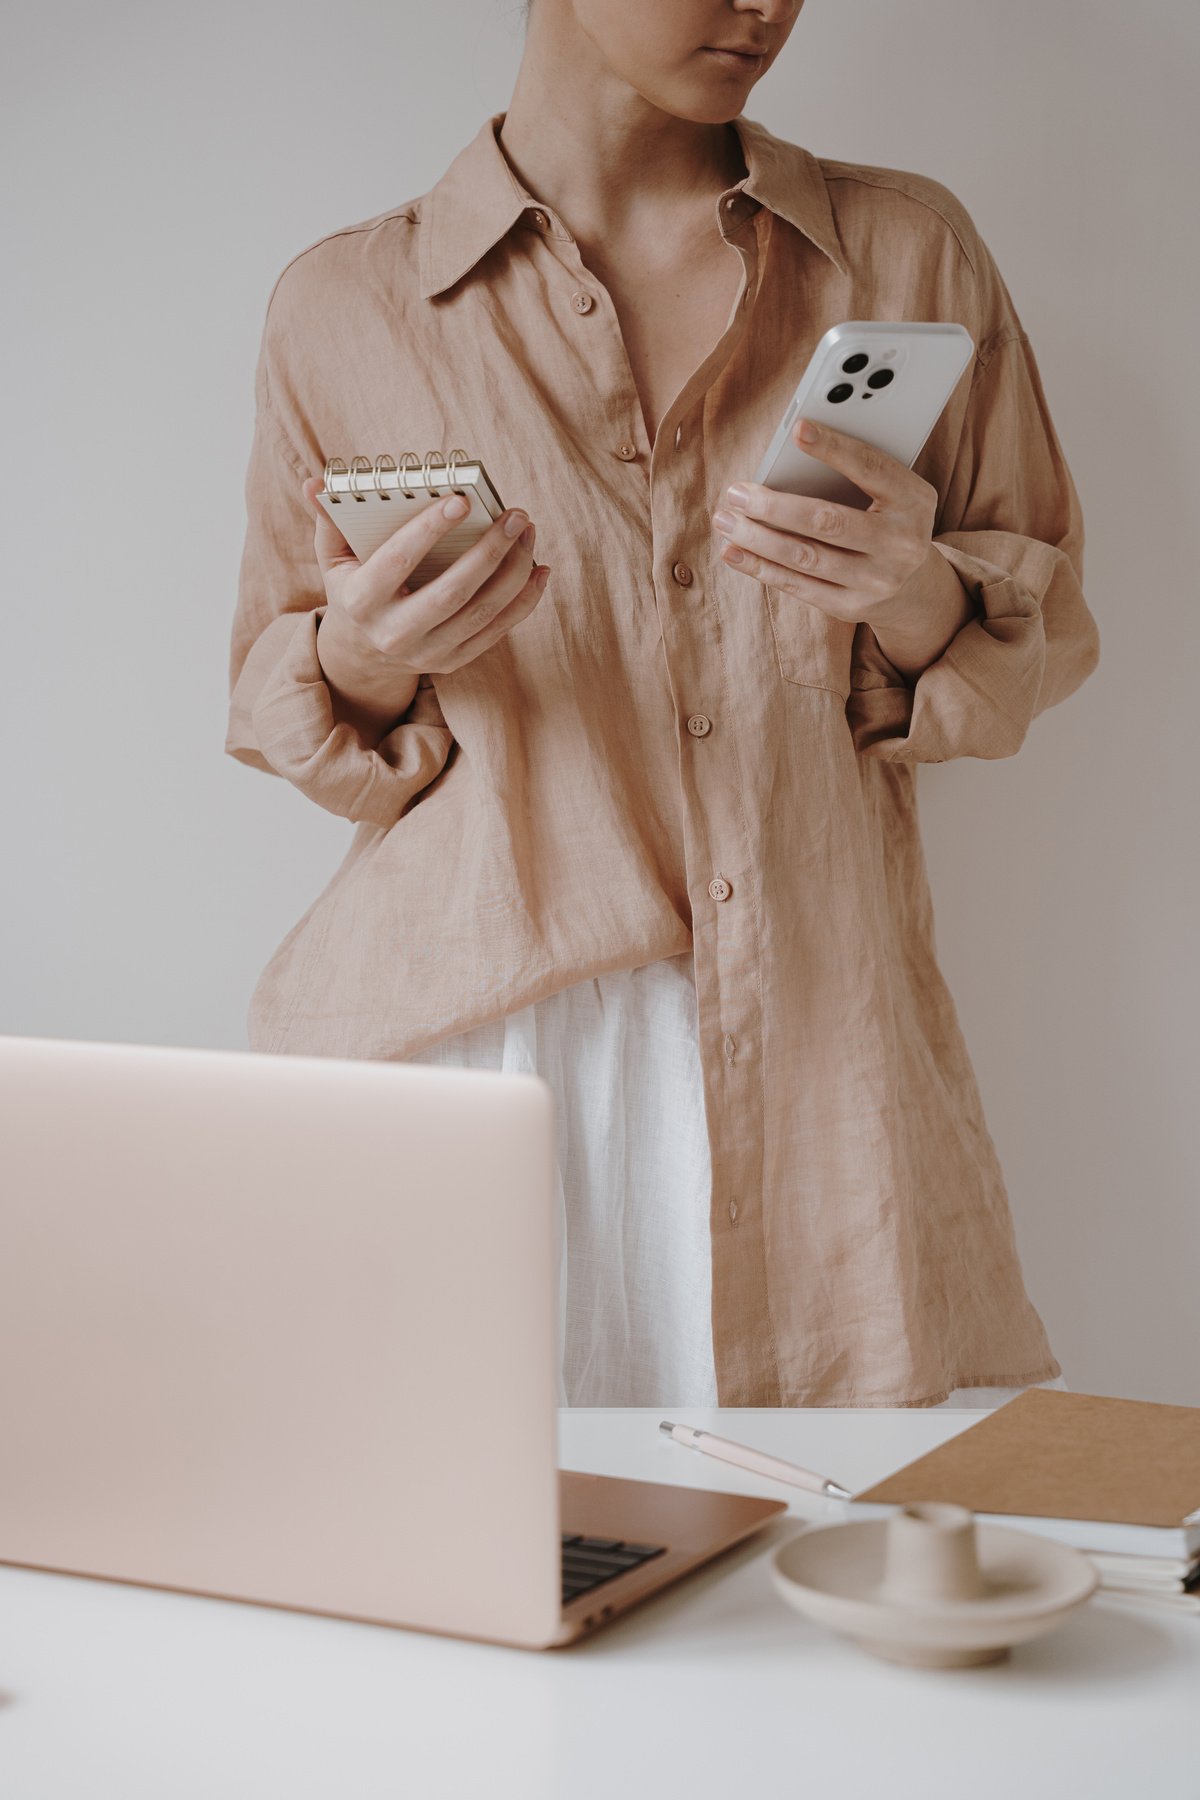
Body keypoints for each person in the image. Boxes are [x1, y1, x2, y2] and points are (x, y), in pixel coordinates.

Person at [226, 0, 1099, 1409]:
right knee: (459, 1569)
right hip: (481, 1052)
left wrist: (915, 591)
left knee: (820, 1566)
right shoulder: (342, 304)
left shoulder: (905, 252)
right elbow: (291, 703)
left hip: (815, 1030)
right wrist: (375, 654)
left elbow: (1041, 635)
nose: (767, 3)